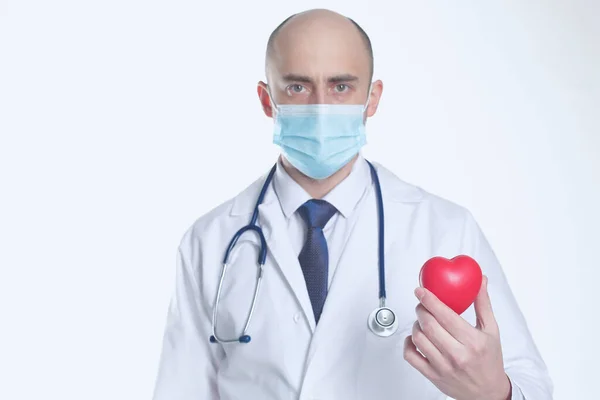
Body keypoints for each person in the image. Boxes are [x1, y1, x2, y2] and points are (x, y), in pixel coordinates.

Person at [152, 8, 553, 400]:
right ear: (266, 99)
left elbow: (532, 385)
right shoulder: (210, 240)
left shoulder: (444, 228)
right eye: (297, 86)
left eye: (341, 86)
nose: (320, 106)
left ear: (372, 98)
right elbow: (180, 389)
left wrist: (495, 394)